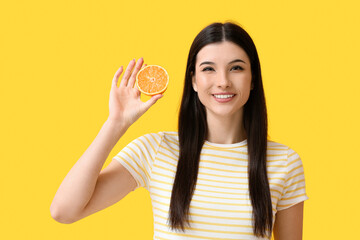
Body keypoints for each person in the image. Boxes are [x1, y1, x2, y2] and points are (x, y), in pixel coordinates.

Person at [50, 22, 309, 240]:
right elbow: (64, 210)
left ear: (253, 79)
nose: (223, 81)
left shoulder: (284, 162)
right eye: (208, 68)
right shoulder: (156, 150)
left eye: (236, 68)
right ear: (194, 80)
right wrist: (116, 123)